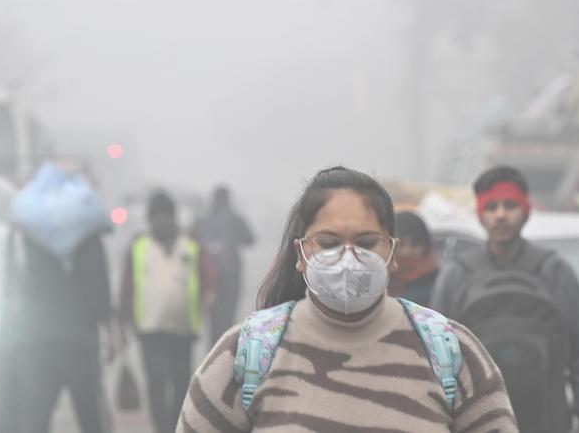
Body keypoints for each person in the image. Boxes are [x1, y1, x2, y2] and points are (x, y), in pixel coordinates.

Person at [179, 166, 517, 432]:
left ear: (392, 252)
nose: (348, 258)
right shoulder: (245, 354)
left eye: (366, 243)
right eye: (329, 243)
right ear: (300, 254)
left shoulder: (450, 351)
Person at [431, 165, 579, 433]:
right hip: (477, 423)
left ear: (526, 211)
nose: (501, 215)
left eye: (510, 205)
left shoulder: (554, 271)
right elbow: (436, 355)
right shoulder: (458, 275)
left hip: (548, 421)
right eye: (492, 207)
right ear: (480, 214)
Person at [0, 171, 115, 433]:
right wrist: (108, 329)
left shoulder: (26, 233)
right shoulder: (86, 233)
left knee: (35, 420)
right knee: (92, 417)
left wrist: (8, 330)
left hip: (37, 340)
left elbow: (12, 286)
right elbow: (98, 283)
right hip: (79, 338)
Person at [119, 189, 211, 433]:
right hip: (149, 329)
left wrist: (208, 299)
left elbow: (208, 279)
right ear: (150, 219)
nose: (161, 221)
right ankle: (162, 428)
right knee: (156, 382)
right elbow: (127, 286)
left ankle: (175, 427)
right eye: (157, 216)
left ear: (173, 217)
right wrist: (122, 322)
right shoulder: (138, 247)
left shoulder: (191, 246)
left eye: (165, 215)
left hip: (183, 329)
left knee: (181, 384)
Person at [191, 184, 255, 346]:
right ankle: (226, 351)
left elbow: (190, 241)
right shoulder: (235, 219)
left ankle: (214, 350)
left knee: (213, 320)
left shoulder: (201, 220)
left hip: (207, 276)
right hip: (231, 275)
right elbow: (250, 239)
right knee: (228, 319)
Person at [387, 210, 439, 306]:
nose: (406, 252)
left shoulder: (438, 285)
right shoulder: (378, 281)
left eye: (415, 244)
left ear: (426, 247)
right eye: (400, 244)